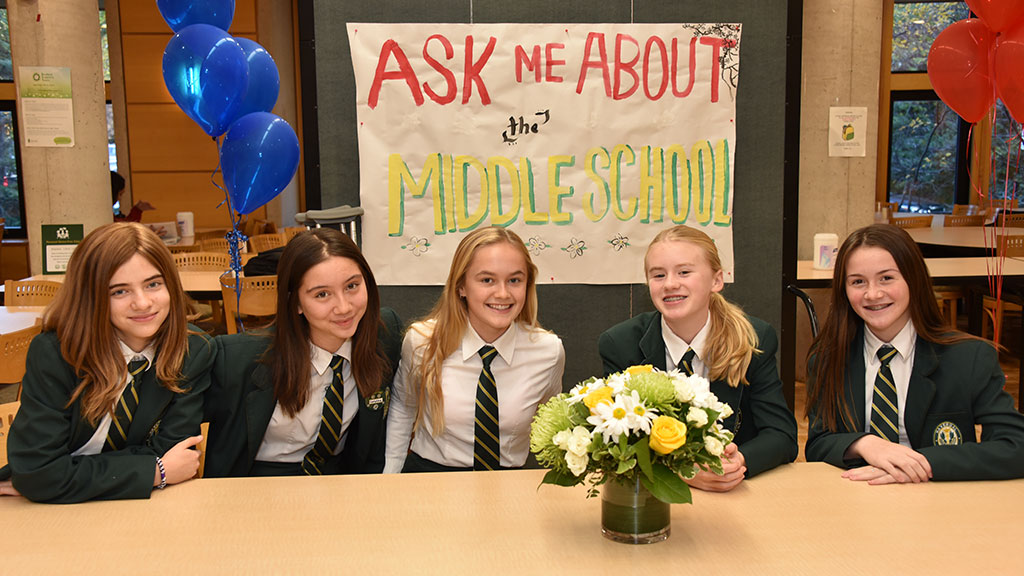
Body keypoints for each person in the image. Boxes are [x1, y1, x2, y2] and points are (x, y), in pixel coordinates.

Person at [0, 222, 214, 503]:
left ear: (171, 285)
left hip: (146, 507)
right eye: (119, 292)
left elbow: (178, 452)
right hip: (53, 514)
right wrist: (155, 471)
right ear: (91, 298)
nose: (142, 303)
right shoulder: (56, 354)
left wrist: (61, 476)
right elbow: (39, 472)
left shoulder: (192, 349)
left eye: (153, 284)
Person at [805, 223, 1024, 483]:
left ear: (913, 279)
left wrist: (922, 464)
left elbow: (1015, 447)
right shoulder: (828, 358)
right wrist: (866, 444)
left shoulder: (969, 357)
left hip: (939, 502)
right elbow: (818, 444)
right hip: (856, 497)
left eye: (887, 278)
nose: (872, 293)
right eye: (857, 282)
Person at [599, 225, 797, 491]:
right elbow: (617, 442)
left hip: (736, 493)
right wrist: (680, 470)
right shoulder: (621, 344)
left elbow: (781, 435)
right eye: (658, 275)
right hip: (660, 497)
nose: (670, 283)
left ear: (716, 280)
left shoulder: (753, 338)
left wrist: (739, 461)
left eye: (684, 272)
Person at [203, 228, 402, 476]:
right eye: (322, 294)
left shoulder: (384, 334)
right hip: (258, 483)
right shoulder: (236, 359)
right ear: (295, 302)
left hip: (339, 483)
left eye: (352, 286)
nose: (344, 307)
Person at [385, 226, 565, 472]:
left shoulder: (548, 352)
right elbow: (404, 408)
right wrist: (390, 478)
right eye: (487, 280)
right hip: (430, 478)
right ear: (461, 286)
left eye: (514, 280)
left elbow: (551, 422)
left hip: (508, 483)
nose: (502, 293)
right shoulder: (422, 341)